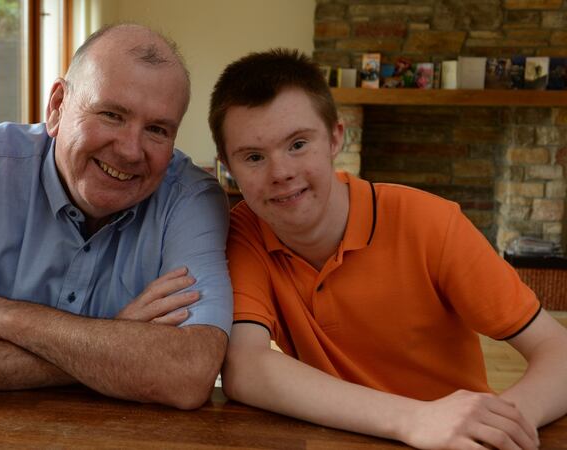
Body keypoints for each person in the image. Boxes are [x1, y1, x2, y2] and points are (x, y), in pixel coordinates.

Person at [209, 49, 567, 449]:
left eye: (298, 144)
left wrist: (500, 426)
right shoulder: (244, 232)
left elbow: (558, 349)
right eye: (254, 157)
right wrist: (415, 420)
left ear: (335, 138)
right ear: (228, 166)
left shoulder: (431, 222)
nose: (281, 173)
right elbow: (245, 366)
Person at [0, 24, 232, 410]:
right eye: (111, 114)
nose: (129, 150)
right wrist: (114, 343)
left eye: (157, 130)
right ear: (57, 106)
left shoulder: (192, 199)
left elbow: (188, 373)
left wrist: (12, 318)